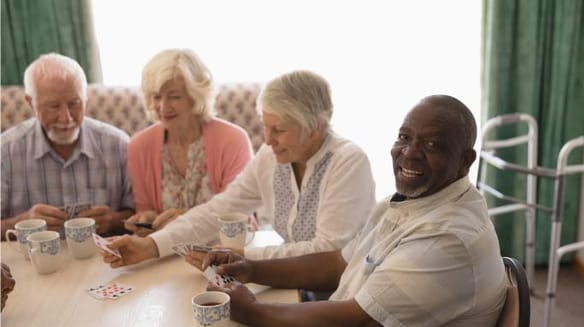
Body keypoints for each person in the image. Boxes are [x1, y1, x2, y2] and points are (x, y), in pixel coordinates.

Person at [188, 95, 508, 327]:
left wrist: (251, 310)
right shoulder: (408, 202)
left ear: (465, 161)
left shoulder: (449, 238)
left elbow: (354, 323)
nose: (410, 152)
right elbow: (338, 264)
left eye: (432, 144)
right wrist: (253, 269)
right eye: (404, 137)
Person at [102, 70, 375, 265]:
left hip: (340, 291)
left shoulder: (348, 161)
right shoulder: (271, 156)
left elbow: (329, 251)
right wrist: (151, 246)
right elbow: (218, 210)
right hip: (291, 280)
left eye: (278, 129)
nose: (267, 140)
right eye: (265, 126)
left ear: (315, 128)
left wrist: (241, 257)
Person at [1, 53, 134, 237]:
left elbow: (142, 217)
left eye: (74, 103)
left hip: (103, 261)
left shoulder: (119, 145)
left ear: (86, 98)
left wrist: (113, 221)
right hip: (30, 264)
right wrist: (20, 223)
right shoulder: (5, 151)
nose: (66, 118)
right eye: (53, 106)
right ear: (31, 103)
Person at [125, 49, 253, 235]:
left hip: (224, 252)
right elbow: (144, 209)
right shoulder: (139, 146)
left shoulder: (233, 141)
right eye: (157, 97)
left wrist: (186, 219)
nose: (163, 107)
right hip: (165, 252)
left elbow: (238, 216)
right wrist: (146, 220)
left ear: (196, 96)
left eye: (174, 96)